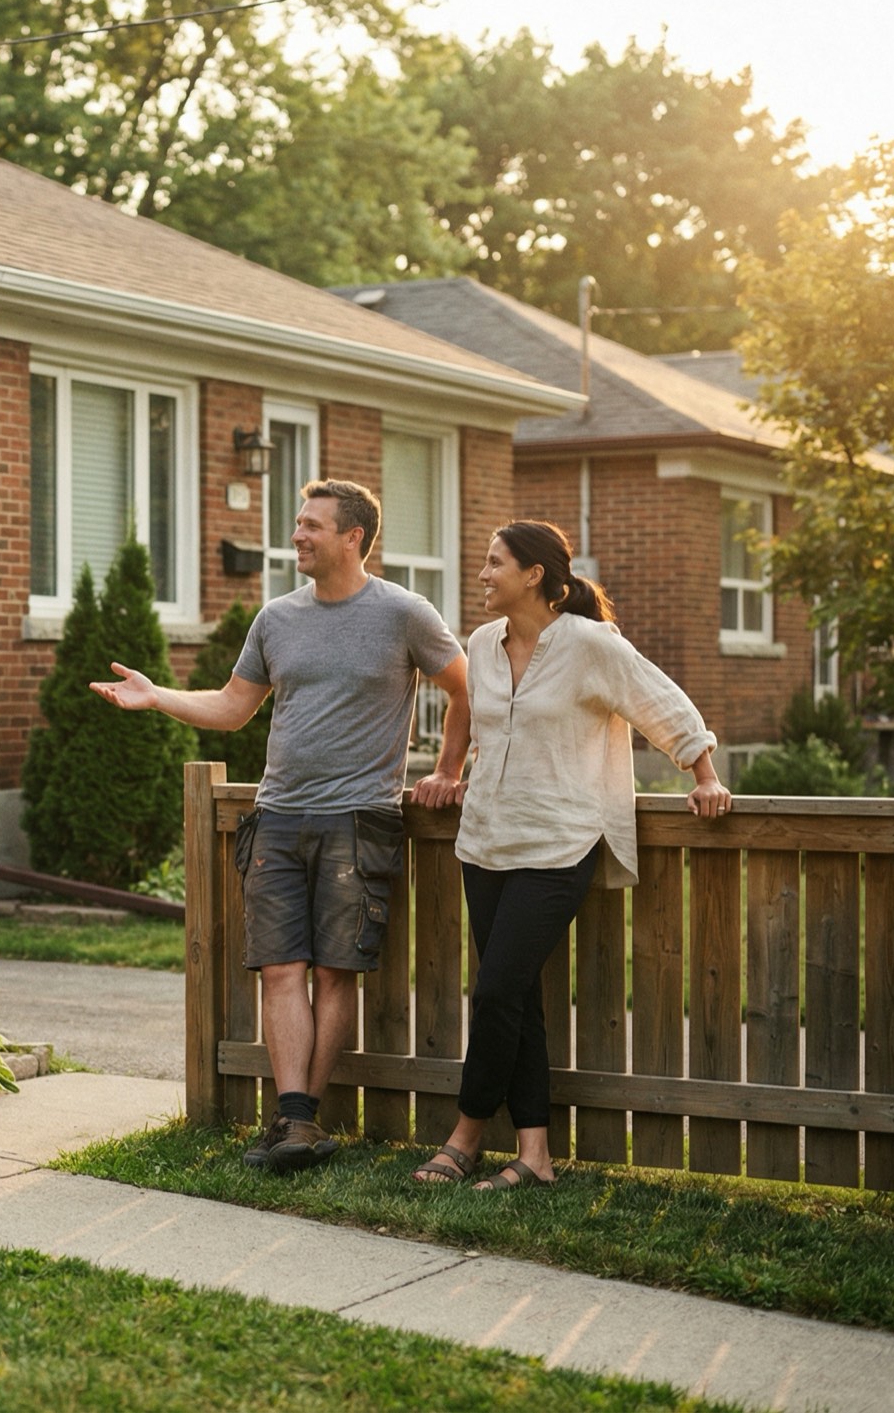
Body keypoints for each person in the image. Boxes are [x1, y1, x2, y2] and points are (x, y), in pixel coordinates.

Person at [92, 478, 470, 1172]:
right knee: (280, 968)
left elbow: (464, 688)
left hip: (359, 820)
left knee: (335, 972)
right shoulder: (276, 619)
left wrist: (448, 768)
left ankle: (300, 1118)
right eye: (297, 523)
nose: (296, 535)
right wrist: (157, 695)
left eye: (311, 525)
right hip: (278, 815)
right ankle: (295, 1120)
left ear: (353, 536)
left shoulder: (403, 614)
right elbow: (234, 707)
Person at [412, 520, 730, 1190]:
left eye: (495, 563)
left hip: (559, 843)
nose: (483, 574)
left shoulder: (589, 644)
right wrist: (448, 769)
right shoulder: (482, 643)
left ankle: (464, 1137)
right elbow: (466, 709)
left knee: (496, 990)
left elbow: (659, 701)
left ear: (534, 574)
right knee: (516, 996)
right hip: (485, 840)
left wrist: (704, 774)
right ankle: (535, 1155)